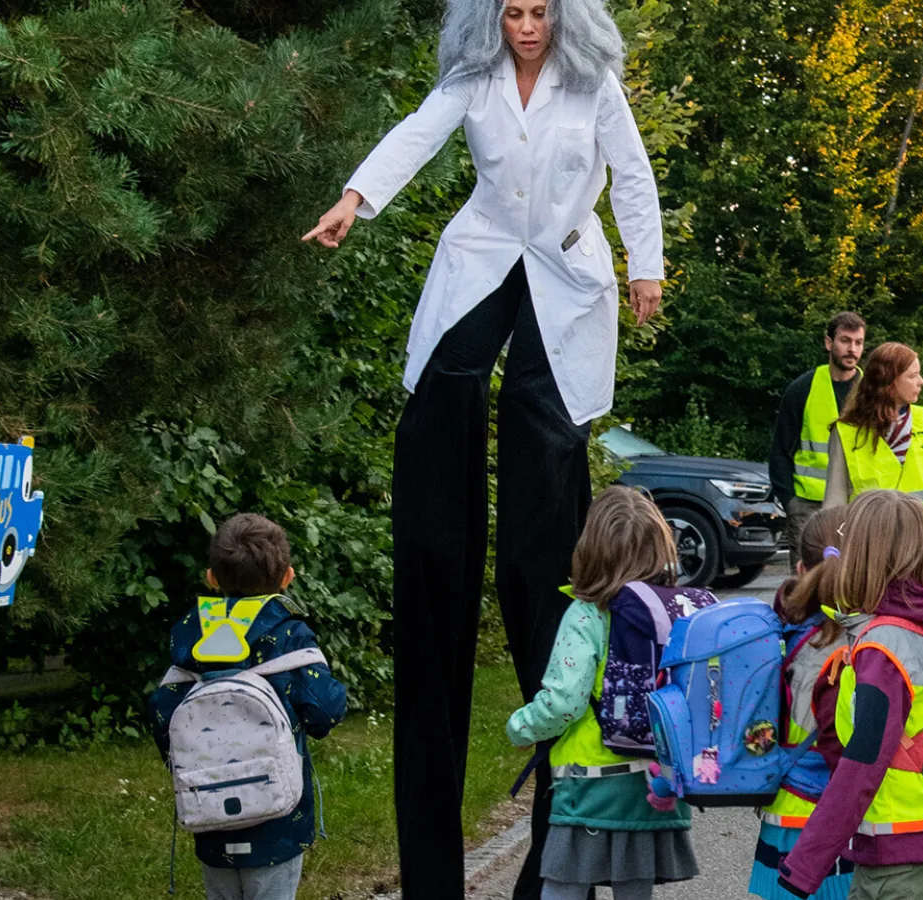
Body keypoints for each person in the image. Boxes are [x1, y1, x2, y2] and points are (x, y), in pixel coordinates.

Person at [301, 0, 665, 894]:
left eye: (541, 11)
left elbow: (633, 175)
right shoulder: (474, 76)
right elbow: (415, 133)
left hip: (566, 268)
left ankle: (548, 857)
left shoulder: (595, 85)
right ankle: (440, 532)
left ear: (566, 15)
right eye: (513, 11)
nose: (527, 26)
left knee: (545, 439)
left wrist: (644, 262)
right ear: (491, 16)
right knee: (445, 392)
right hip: (485, 256)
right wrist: (356, 199)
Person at [777, 490, 923, 900]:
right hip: (898, 841)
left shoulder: (885, 648)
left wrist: (806, 862)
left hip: (901, 845)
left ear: (860, 556)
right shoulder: (910, 623)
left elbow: (864, 762)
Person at [506, 487, 699, 900]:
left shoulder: (587, 613)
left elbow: (564, 702)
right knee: (634, 888)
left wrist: (522, 728)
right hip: (656, 779)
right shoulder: (675, 611)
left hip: (590, 783)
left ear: (591, 548)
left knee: (564, 883)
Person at [148, 514, 349, 900]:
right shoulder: (288, 634)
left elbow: (163, 715)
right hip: (279, 819)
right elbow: (326, 709)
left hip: (208, 810)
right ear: (287, 577)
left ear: (212, 578)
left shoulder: (192, 635)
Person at [749, 505, 856, 900]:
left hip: (784, 806)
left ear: (799, 569)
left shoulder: (782, 634)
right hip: (837, 816)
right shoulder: (865, 642)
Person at [821, 342, 923, 588]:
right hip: (871, 560)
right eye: (913, 375)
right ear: (890, 381)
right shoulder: (845, 432)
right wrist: (828, 558)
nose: (922, 381)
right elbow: (834, 505)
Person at [770, 312, 867, 567]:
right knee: (805, 585)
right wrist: (791, 504)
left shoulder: (872, 392)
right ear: (828, 343)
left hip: (857, 505)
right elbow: (780, 451)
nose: (852, 349)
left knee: (853, 584)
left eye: (858, 342)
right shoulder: (803, 389)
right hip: (808, 506)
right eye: (845, 341)